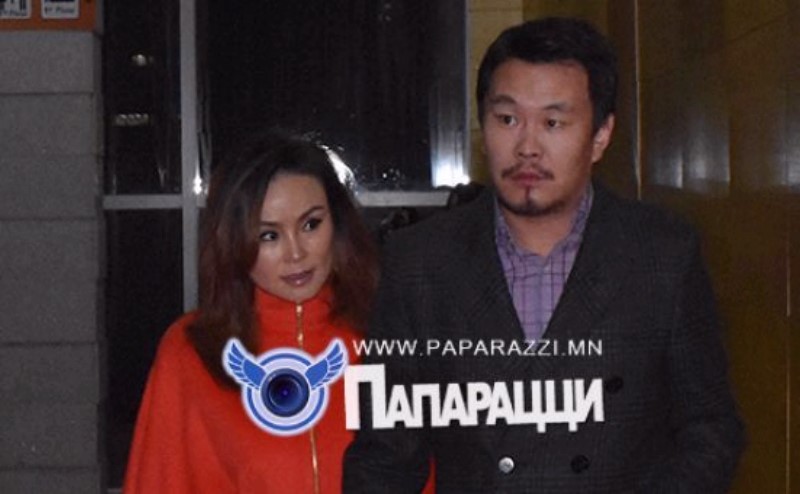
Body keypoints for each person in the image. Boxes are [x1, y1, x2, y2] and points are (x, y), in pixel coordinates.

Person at [343, 17, 744, 493]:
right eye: (507, 119)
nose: (527, 147)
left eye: (553, 123)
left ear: (600, 136)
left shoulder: (662, 255)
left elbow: (710, 431)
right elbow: (384, 457)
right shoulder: (419, 262)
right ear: (483, 124)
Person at [124, 130, 379, 493]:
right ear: (234, 241)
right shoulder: (191, 351)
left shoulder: (388, 332)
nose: (296, 253)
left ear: (337, 225)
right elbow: (159, 482)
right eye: (268, 235)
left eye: (311, 224)